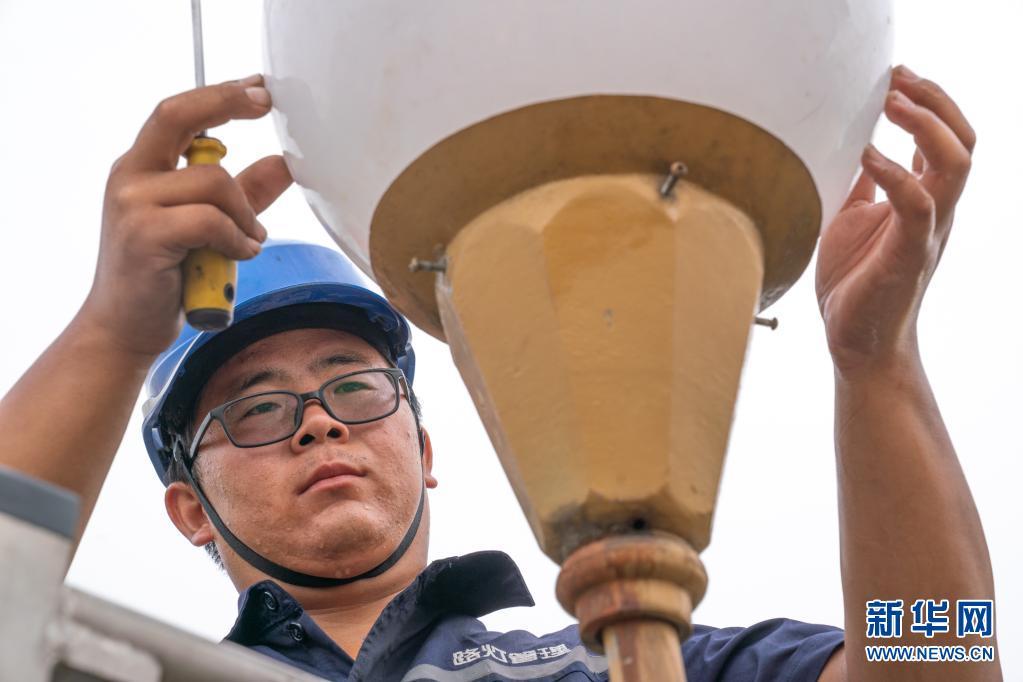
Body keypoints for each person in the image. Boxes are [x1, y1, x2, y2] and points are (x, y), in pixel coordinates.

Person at [0, 66, 1000, 681]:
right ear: (186, 508)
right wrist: (109, 332)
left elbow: (948, 663)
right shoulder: (130, 669)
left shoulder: (625, 662)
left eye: (354, 389)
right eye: (258, 410)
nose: (321, 425)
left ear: (424, 448)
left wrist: (877, 365)